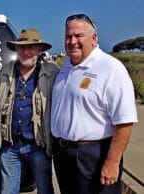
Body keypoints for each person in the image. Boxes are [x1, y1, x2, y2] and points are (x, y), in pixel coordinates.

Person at [51, 13, 138, 194]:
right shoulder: (65, 68)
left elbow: (124, 121)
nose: (72, 41)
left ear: (94, 38)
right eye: (68, 36)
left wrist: (113, 162)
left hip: (93, 157)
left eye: (78, 36)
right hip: (64, 157)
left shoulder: (110, 69)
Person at [0, 29, 59, 194]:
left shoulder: (52, 72)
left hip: (38, 146)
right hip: (10, 146)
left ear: (40, 50)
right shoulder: (5, 72)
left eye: (31, 47)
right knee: (7, 191)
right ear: (16, 50)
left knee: (45, 190)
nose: (26, 52)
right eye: (21, 47)